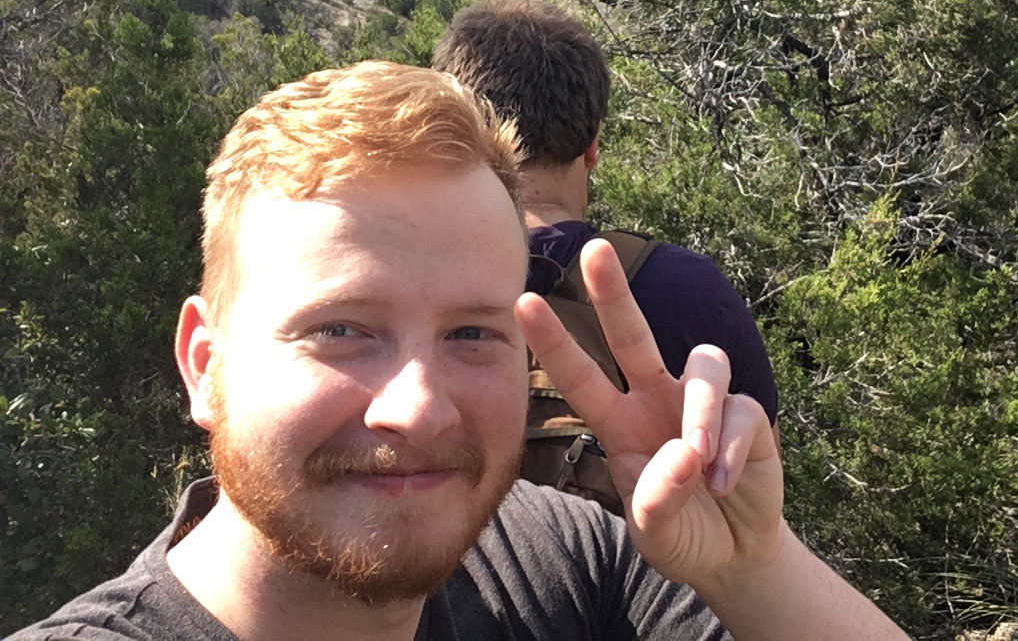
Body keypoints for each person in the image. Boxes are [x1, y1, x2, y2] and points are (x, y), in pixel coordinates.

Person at [11, 62, 905, 641]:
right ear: (206, 364)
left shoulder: (565, 568)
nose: (421, 405)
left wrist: (756, 569)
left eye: (473, 333)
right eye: (342, 330)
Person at [432, 0, 780, 429]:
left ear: (453, 129)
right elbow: (756, 481)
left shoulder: (401, 272)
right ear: (593, 143)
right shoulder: (693, 292)